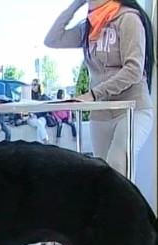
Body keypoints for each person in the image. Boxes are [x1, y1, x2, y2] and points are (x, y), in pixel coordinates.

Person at [44, 0, 155, 178]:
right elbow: (52, 39)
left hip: (132, 108)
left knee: (118, 165)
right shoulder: (89, 26)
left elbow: (134, 70)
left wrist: (94, 94)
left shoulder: (128, 18)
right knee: (103, 176)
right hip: (101, 113)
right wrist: (75, 5)